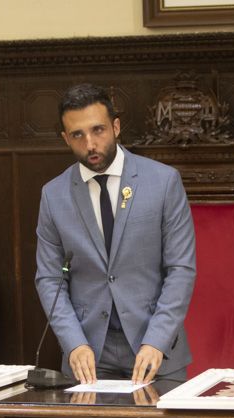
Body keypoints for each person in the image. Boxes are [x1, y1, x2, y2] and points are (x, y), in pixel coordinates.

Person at [35, 83, 196, 385]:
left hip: (155, 350)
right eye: (78, 135)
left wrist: (157, 340)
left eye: (98, 130)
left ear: (116, 126)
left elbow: (181, 270)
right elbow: (49, 278)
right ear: (65, 138)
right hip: (89, 356)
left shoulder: (163, 182)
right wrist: (74, 342)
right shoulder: (53, 196)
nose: (90, 144)